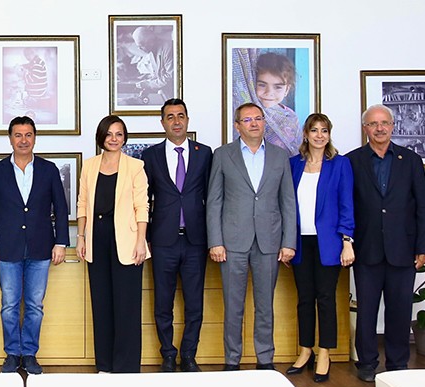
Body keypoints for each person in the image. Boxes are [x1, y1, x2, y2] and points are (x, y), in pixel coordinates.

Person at [206, 102, 296, 371]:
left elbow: (288, 201)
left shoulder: (280, 156)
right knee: (233, 306)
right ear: (237, 126)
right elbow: (214, 201)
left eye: (258, 118)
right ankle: (232, 360)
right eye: (247, 120)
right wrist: (215, 241)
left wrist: (288, 242)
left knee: (265, 306)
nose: (254, 123)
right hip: (232, 242)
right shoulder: (223, 155)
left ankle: (265, 360)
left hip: (269, 241)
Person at [346, 104, 425, 382]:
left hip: (403, 248)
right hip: (366, 248)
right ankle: (367, 363)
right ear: (365, 128)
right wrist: (347, 243)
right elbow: (346, 205)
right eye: (373, 124)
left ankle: (397, 363)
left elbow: (423, 205)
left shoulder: (411, 160)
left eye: (384, 123)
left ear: (393, 126)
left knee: (400, 310)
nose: (379, 128)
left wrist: (424, 247)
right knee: (367, 311)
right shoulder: (352, 160)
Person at [0, 116, 70, 374]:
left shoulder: (49, 169)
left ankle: (29, 353)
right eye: (18, 135)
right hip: (7, 247)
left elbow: (61, 209)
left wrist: (61, 242)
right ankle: (12, 353)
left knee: (34, 305)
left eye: (28, 135)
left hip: (41, 247)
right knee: (9, 305)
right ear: (10, 139)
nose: (23, 140)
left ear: (35, 138)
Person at [141, 99, 211, 372]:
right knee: (163, 303)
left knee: (194, 303)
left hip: (195, 240)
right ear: (163, 123)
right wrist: (144, 237)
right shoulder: (151, 156)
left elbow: (212, 197)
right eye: (170, 117)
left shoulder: (204, 153)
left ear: (187, 120)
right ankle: (168, 355)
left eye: (181, 115)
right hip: (163, 240)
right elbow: (143, 199)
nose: (176, 121)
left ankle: (189, 355)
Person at [76, 115, 150, 373]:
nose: (114, 139)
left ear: (124, 138)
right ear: (101, 137)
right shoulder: (89, 166)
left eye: (119, 134)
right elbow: (82, 204)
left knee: (126, 306)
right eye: (109, 134)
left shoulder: (136, 166)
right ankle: (105, 365)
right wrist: (81, 237)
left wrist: (141, 242)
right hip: (97, 238)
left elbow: (142, 206)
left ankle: (126, 367)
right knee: (102, 304)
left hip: (127, 241)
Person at [287, 113, 355, 383]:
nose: (319, 135)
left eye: (324, 130)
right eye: (314, 130)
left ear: (329, 134)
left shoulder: (340, 164)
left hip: (329, 243)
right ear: (306, 134)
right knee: (304, 299)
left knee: (325, 298)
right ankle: (306, 350)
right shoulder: (293, 164)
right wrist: (286, 242)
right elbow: (285, 205)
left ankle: (325, 353)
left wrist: (347, 242)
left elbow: (347, 204)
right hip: (300, 242)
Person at [232, 50, 302, 155]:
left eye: (278, 87)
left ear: (287, 89)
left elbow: (296, 152)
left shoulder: (291, 118)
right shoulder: (243, 112)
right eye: (262, 85)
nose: (269, 92)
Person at [132, 26, 174, 101]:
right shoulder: (151, 52)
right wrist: (147, 87)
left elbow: (170, 78)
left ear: (150, 42)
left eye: (141, 46)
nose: (139, 49)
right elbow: (157, 76)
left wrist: (149, 84)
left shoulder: (168, 48)